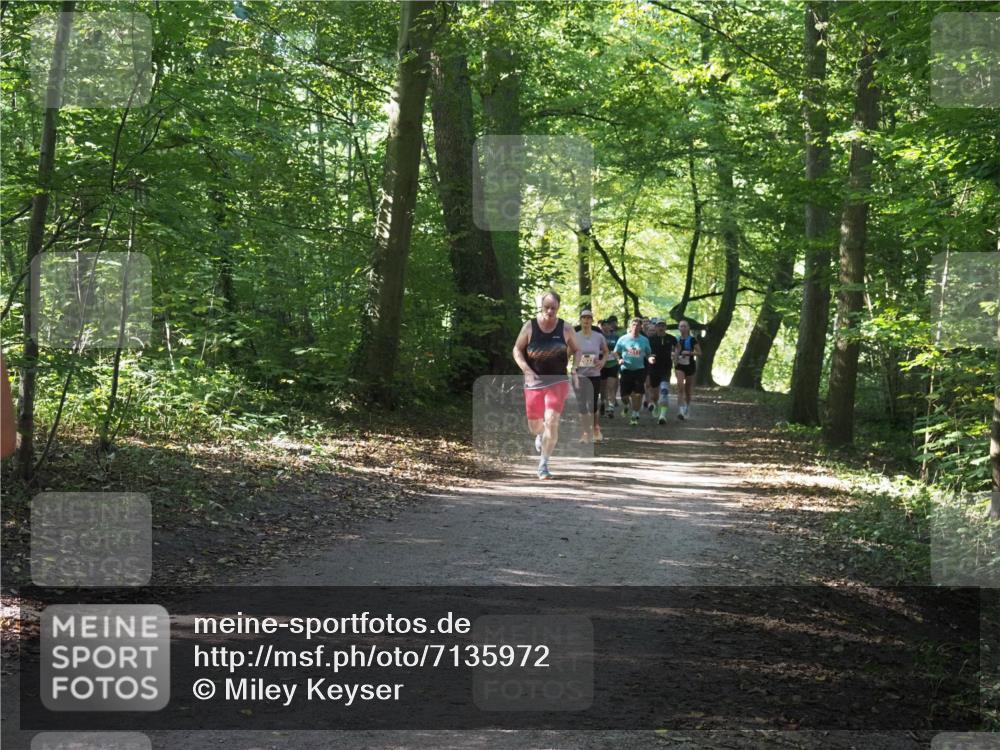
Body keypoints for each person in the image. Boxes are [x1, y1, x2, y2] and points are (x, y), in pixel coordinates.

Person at [513, 291, 578, 480]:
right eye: (546, 307)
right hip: (534, 382)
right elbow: (517, 349)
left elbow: (577, 349)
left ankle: (544, 464)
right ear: (541, 306)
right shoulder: (530, 326)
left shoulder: (565, 328)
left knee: (551, 420)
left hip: (557, 381)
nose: (550, 311)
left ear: (558, 307)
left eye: (553, 308)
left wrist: (575, 367)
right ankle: (539, 435)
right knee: (535, 426)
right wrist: (526, 369)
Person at [572, 309, 608, 442]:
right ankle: (585, 433)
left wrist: (602, 362)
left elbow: (605, 351)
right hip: (579, 375)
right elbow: (568, 352)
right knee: (581, 405)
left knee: (592, 404)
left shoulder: (598, 336)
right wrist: (572, 366)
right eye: (584, 318)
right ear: (580, 320)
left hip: (594, 374)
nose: (586, 320)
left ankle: (595, 428)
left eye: (589, 318)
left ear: (592, 321)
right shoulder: (575, 336)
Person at [613, 317, 653, 426]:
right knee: (624, 397)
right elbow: (615, 352)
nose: (635, 327)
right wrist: (619, 359)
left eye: (637, 325)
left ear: (641, 327)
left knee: (637, 394)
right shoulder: (623, 339)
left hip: (639, 370)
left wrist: (650, 358)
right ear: (630, 326)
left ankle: (635, 415)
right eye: (633, 325)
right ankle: (626, 406)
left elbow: (649, 353)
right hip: (626, 370)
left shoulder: (644, 340)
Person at [647, 319, 677, 424]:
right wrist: (650, 357)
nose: (661, 327)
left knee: (664, 392)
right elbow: (645, 352)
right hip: (653, 368)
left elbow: (677, 348)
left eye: (663, 325)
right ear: (655, 327)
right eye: (659, 325)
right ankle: (655, 405)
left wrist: (675, 355)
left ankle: (663, 416)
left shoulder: (671, 338)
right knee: (655, 396)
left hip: (666, 368)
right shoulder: (650, 339)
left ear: (666, 327)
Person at [673, 319, 702, 420]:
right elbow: (672, 352)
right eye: (681, 326)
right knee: (680, 387)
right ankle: (680, 410)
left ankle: (687, 407)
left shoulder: (692, 339)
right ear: (678, 328)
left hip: (690, 366)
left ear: (688, 328)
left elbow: (699, 353)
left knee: (688, 389)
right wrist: (675, 356)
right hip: (679, 365)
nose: (683, 328)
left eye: (685, 326)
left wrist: (689, 353)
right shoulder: (676, 339)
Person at [600, 316, 620, 419]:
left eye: (607, 325)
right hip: (602, 364)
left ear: (610, 326)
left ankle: (611, 406)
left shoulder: (615, 337)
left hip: (612, 364)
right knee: (602, 387)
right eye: (603, 325)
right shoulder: (599, 337)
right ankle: (603, 402)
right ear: (601, 326)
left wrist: (617, 356)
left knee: (611, 386)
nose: (605, 327)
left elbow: (619, 349)